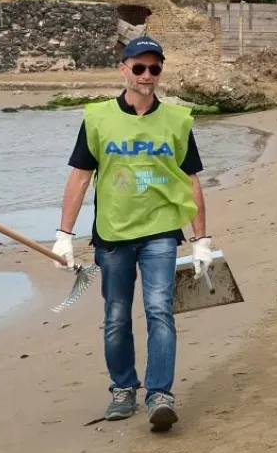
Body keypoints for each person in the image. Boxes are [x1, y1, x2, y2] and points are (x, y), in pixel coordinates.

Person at [53, 36, 211, 432]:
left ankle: (160, 395)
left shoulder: (177, 120)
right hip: (113, 233)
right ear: (123, 68)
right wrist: (63, 233)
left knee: (160, 310)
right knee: (116, 316)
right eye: (138, 67)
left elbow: (191, 180)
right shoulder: (98, 118)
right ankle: (123, 388)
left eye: (154, 68)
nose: (146, 75)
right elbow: (80, 176)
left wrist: (201, 239)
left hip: (161, 230)